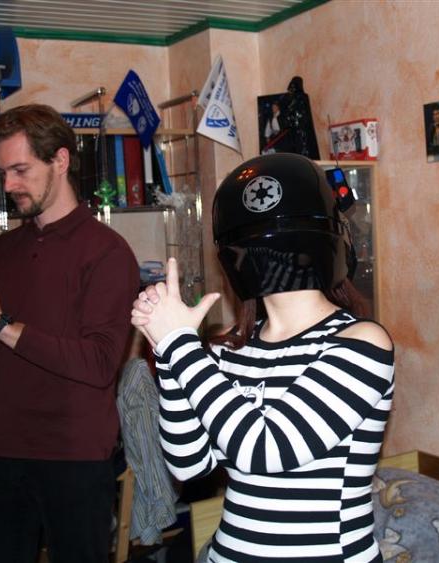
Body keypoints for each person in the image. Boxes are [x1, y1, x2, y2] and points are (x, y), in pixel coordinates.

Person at [132, 153, 395, 562]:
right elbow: (189, 465)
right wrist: (166, 351)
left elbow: (264, 449)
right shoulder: (227, 350)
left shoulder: (363, 342)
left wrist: (179, 345)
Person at [0, 104, 139, 563]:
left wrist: (2, 324)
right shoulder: (0, 252)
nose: (9, 185)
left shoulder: (108, 253)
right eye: (3, 173)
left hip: (73, 458)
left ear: (60, 160)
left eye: (21, 170)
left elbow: (99, 363)